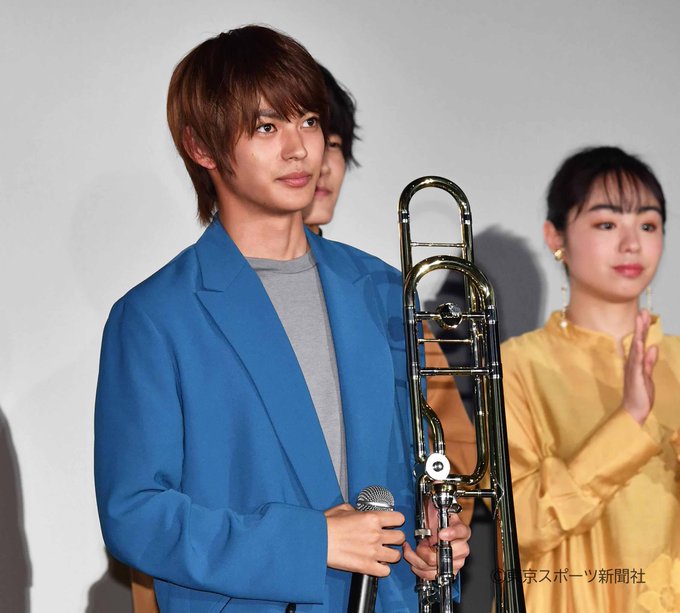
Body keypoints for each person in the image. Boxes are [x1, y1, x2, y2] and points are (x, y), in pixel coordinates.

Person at [94, 26, 470, 612]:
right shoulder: (155, 317)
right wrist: (310, 541)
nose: (299, 150)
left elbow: (411, 467)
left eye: (310, 122)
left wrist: (428, 537)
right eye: (268, 127)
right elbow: (136, 514)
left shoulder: (380, 290)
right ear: (201, 147)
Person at [501, 146, 680, 612]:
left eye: (648, 225)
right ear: (555, 236)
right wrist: (629, 422)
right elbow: (515, 527)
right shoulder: (516, 366)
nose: (632, 244)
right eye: (606, 224)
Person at [302, 64, 477, 529]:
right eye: (272, 130)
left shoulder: (382, 290)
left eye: (332, 144)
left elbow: (451, 442)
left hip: (391, 562)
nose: (319, 164)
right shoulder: (182, 304)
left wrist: (440, 524)